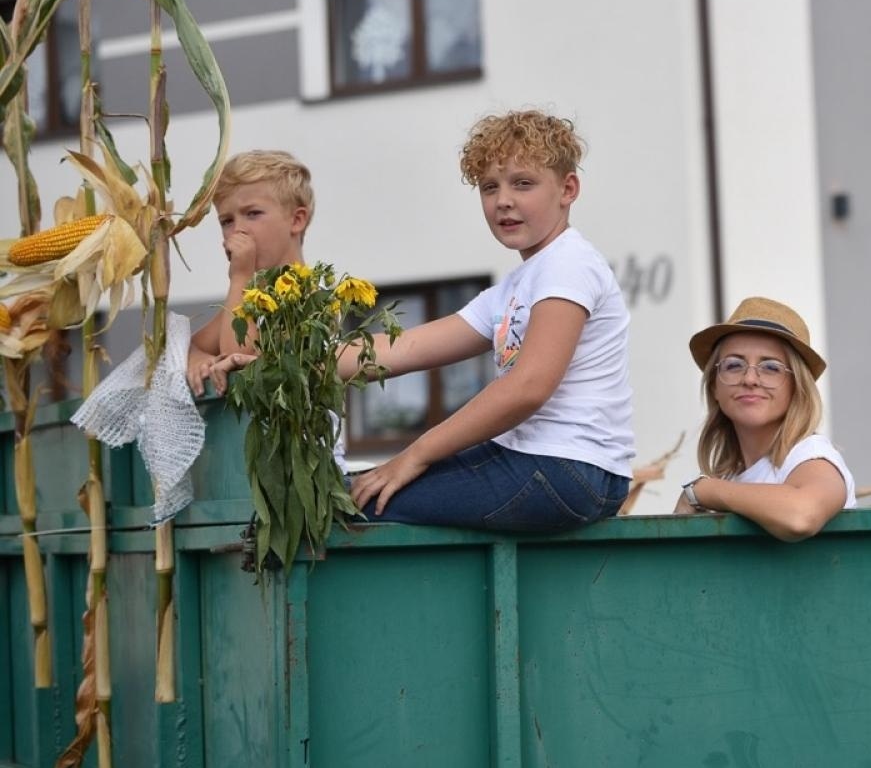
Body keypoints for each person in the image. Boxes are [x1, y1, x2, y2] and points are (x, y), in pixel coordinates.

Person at [322, 108, 634, 530]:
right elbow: (405, 348)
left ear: (568, 189)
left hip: (564, 466)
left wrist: (415, 454)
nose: (503, 200)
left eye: (523, 183)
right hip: (549, 465)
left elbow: (528, 386)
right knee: (353, 489)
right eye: (490, 187)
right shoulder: (515, 288)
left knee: (346, 502)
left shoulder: (569, 264)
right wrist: (292, 363)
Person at [675, 297, 855, 540]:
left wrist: (701, 491)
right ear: (714, 387)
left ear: (797, 388)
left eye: (771, 367)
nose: (750, 379)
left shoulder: (809, 454)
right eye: (734, 365)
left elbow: (802, 516)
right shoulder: (730, 478)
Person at [185, 150, 314, 396]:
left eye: (253, 214)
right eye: (227, 221)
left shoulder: (312, 297)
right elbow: (188, 346)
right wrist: (198, 359)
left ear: (297, 220)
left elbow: (239, 363)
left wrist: (240, 278)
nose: (238, 230)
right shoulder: (255, 292)